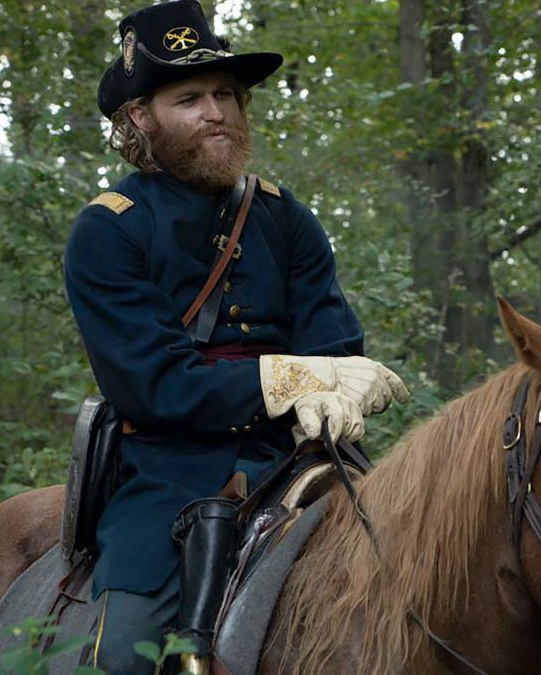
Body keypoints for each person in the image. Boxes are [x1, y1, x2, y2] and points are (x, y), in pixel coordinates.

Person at [64, 1, 408, 671]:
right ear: (140, 116)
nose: (216, 111)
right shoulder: (108, 231)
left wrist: (334, 392)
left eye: (225, 94)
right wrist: (290, 378)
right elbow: (156, 388)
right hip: (170, 474)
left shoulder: (285, 217)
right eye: (189, 98)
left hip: (303, 458)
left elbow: (335, 347)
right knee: (122, 649)